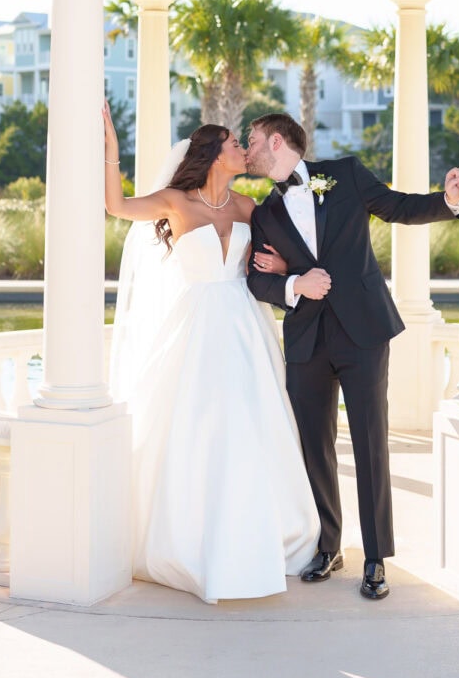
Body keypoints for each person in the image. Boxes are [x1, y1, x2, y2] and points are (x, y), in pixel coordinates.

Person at [103, 107, 319, 604]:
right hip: (195, 327)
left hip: (243, 326)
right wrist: (113, 149)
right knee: (196, 428)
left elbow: (284, 251)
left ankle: (258, 535)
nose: (243, 149)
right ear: (213, 153)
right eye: (233, 143)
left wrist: (285, 264)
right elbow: (115, 207)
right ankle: (191, 543)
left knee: (250, 423)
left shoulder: (247, 205)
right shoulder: (174, 201)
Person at [246, 114, 459, 602]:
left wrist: (449, 200)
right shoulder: (264, 214)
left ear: (276, 140)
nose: (247, 149)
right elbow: (256, 279)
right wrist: (293, 284)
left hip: (364, 332)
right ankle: (329, 546)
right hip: (306, 339)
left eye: (253, 140)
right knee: (313, 446)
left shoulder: (344, 174)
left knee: (369, 444)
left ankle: (375, 558)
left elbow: (397, 207)